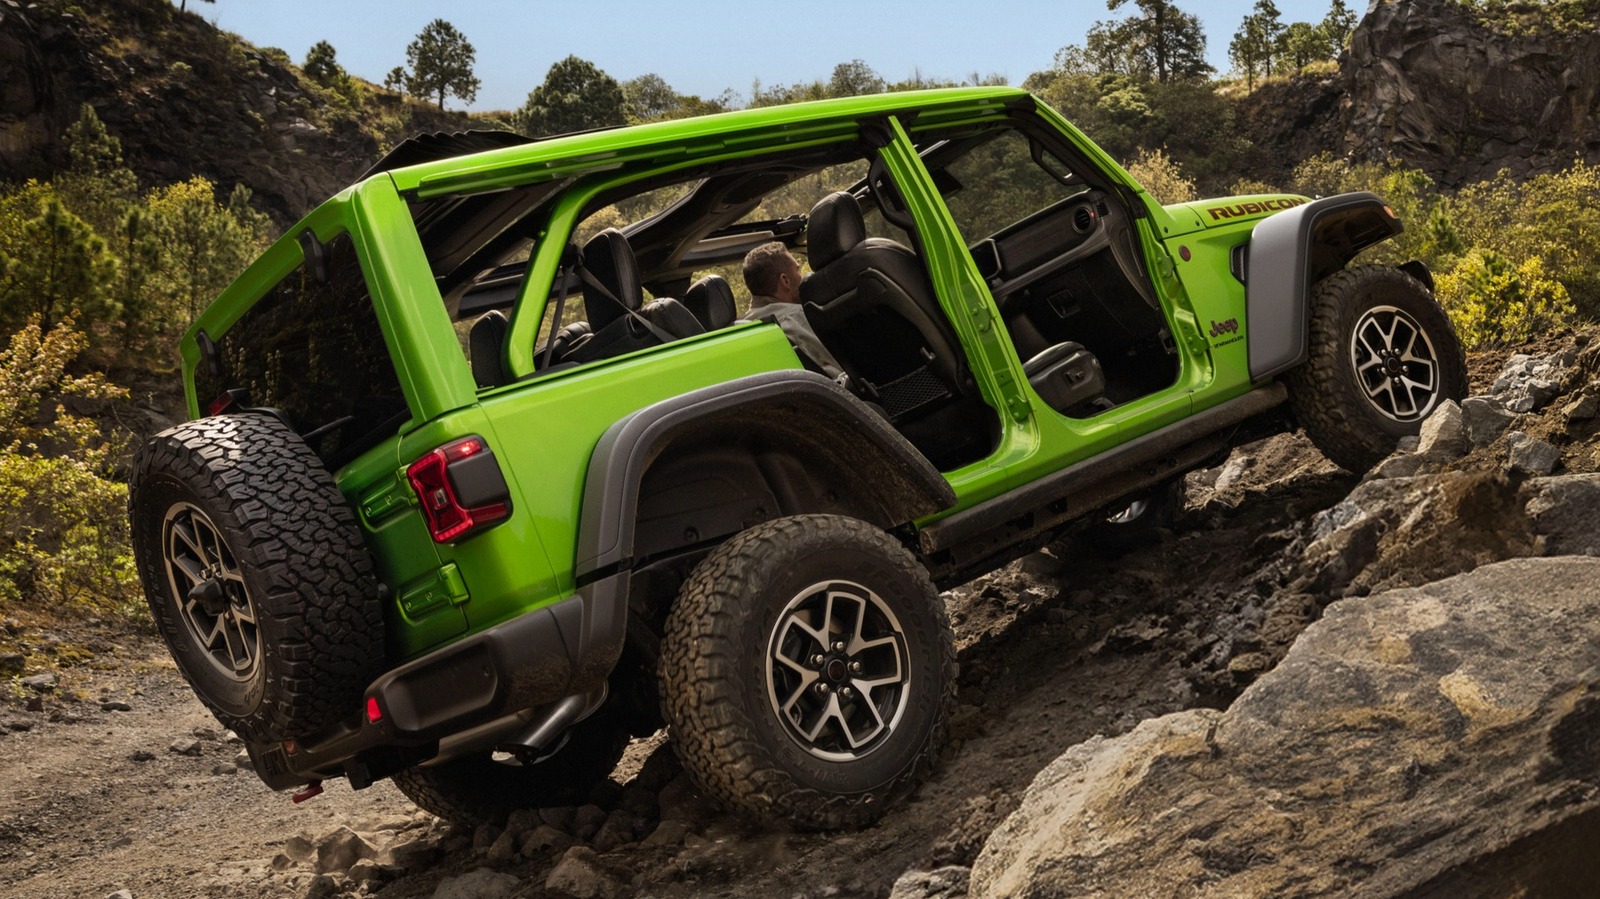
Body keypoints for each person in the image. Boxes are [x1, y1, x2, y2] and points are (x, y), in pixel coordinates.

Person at [738, 242, 846, 380]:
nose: (802, 276)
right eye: (798, 270)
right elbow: (843, 364)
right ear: (785, 281)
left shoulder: (745, 328)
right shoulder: (795, 318)